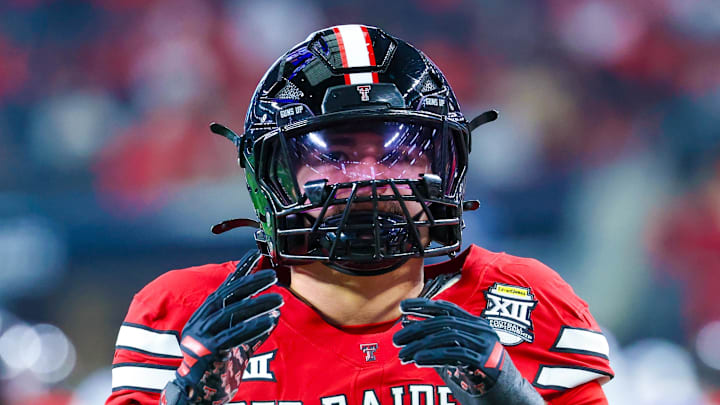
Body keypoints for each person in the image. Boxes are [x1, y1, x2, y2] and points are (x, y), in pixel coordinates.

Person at [106, 25, 613, 405]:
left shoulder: (525, 300)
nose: (369, 178)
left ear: (445, 166)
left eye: (398, 152)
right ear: (277, 177)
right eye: (336, 154)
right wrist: (185, 397)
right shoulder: (182, 311)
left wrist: (508, 393)